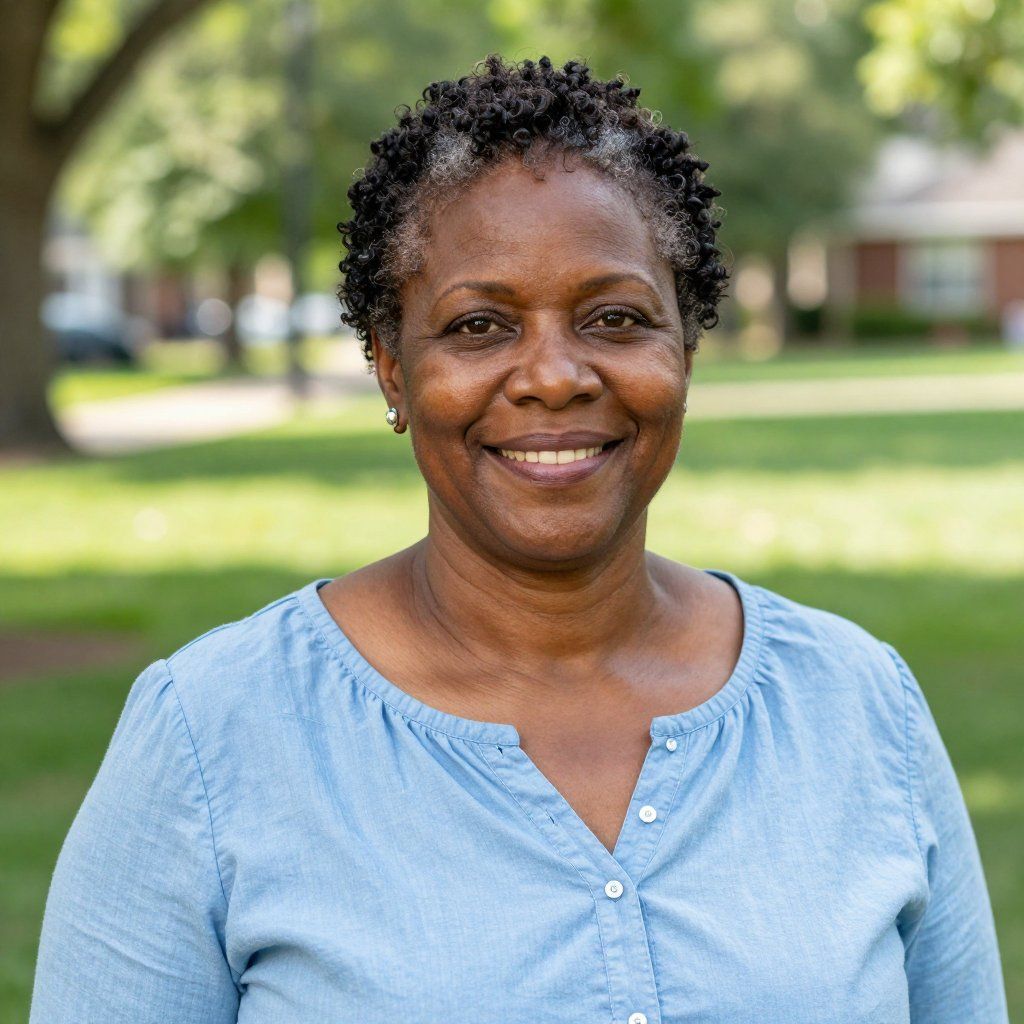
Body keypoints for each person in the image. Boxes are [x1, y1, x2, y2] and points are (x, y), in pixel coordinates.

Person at [29, 54, 1008, 1024]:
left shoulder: (854, 703)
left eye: (615, 318)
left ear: (685, 350)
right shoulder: (213, 733)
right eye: (480, 326)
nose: (553, 376)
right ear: (391, 370)